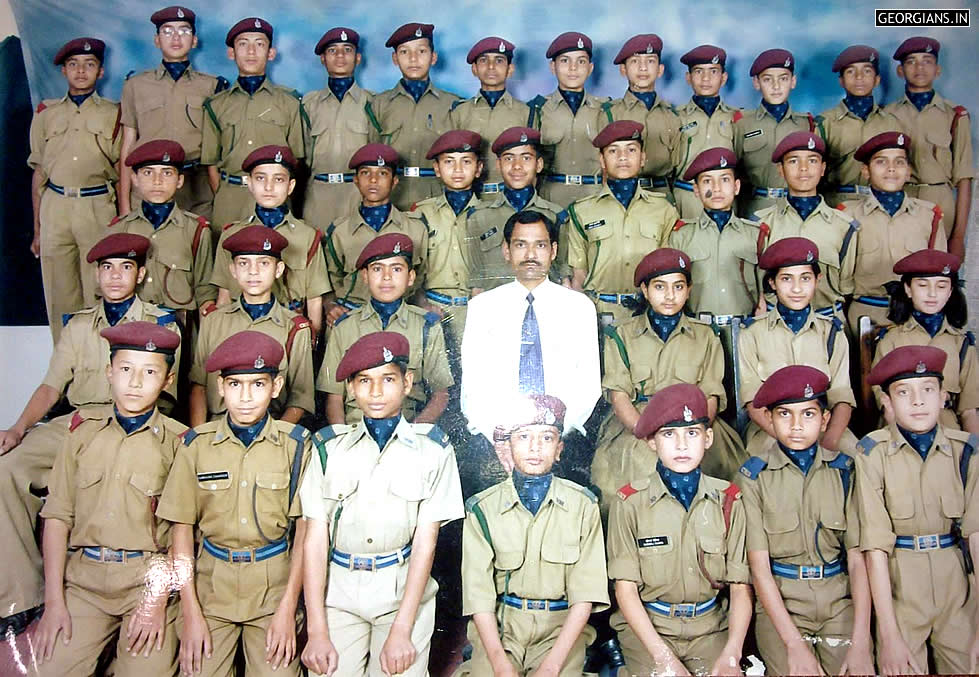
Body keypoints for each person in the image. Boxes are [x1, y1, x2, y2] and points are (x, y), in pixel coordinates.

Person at [0, 233, 180, 640]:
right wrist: (17, 427)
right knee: (7, 468)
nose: (116, 277)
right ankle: (23, 595)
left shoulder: (161, 324)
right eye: (107, 268)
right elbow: (51, 388)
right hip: (78, 422)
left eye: (126, 267)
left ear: (142, 273)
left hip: (140, 422)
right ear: (96, 275)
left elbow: (167, 395)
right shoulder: (79, 326)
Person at [300, 331, 464, 677]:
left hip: (403, 594)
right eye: (364, 381)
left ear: (407, 383)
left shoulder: (433, 451)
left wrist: (403, 630)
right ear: (351, 389)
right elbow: (314, 539)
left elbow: (426, 541)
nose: (375, 392)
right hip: (338, 593)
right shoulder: (329, 449)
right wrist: (316, 631)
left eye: (387, 379)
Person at [33, 322, 184, 676]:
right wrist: (54, 601)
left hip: (147, 585)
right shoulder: (81, 434)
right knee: (49, 668)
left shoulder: (179, 444)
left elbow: (182, 533)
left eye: (149, 372)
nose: (135, 382)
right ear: (108, 373)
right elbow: (57, 518)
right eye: (125, 369)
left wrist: (157, 602)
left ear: (167, 381)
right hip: (85, 583)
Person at [159, 331, 311, 677]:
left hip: (273, 589)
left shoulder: (297, 446)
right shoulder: (196, 445)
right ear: (220, 388)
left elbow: (304, 534)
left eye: (258, 385)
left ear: (276, 388)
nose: (245, 397)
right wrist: (191, 613)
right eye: (235, 385)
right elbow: (181, 531)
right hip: (212, 589)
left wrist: (288, 609)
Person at [735, 365, 875, 676]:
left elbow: (856, 560)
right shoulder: (753, 477)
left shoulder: (844, 471)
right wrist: (794, 645)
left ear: (825, 420)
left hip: (839, 603)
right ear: (769, 419)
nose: (797, 425)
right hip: (783, 606)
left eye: (808, 414)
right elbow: (759, 570)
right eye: (785, 414)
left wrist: (862, 640)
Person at [607, 383, 752, 676]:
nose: (682, 445)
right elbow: (625, 590)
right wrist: (664, 658)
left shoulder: (730, 500)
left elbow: (740, 587)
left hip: (711, 628)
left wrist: (733, 652)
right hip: (650, 630)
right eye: (669, 434)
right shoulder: (629, 503)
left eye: (692, 433)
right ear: (651, 442)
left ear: (708, 438)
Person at [458, 394, 609, 676]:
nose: (535, 447)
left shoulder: (583, 507)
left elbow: (584, 597)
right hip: (503, 630)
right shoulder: (482, 510)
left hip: (561, 631)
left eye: (547, 438)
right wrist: (500, 664)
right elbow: (479, 598)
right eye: (524, 436)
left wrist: (552, 667)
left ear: (560, 449)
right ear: (507, 447)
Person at [596, 248, 746, 522]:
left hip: (696, 421)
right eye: (659, 287)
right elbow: (619, 397)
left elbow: (711, 395)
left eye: (678, 287)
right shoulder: (621, 336)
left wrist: (695, 432)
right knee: (619, 481)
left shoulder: (706, 336)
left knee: (731, 474)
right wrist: (647, 433)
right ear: (644, 289)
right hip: (639, 423)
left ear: (688, 290)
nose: (669, 295)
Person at [855, 345, 979, 675]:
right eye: (904, 392)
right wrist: (889, 633)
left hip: (958, 589)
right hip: (900, 589)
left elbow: (977, 538)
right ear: (887, 402)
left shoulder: (966, 452)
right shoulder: (871, 455)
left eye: (928, 390)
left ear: (943, 397)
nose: (918, 401)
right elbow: (875, 548)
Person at [461, 210, 600, 467]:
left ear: (554, 250)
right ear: (506, 250)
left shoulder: (579, 307)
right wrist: (501, 440)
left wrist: (551, 436)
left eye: (540, 245)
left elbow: (588, 387)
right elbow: (472, 389)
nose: (530, 255)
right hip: (495, 443)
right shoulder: (482, 308)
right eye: (520, 245)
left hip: (562, 441)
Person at [29, 37, 120, 342]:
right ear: (64, 72)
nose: (81, 71)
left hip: (97, 207)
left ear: (101, 72)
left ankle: (99, 372)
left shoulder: (115, 114)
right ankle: (65, 376)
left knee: (100, 290)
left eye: (89, 64)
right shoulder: (46, 114)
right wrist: (38, 229)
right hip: (55, 206)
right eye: (73, 65)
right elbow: (39, 172)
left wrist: (122, 221)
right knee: (60, 295)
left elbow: (122, 172)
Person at [739, 238, 856, 455]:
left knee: (854, 455)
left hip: (822, 427)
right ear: (772, 283)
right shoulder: (752, 334)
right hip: (771, 429)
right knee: (758, 461)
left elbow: (842, 398)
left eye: (805, 278)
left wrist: (828, 442)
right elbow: (752, 402)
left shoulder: (832, 333)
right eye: (786, 279)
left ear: (817, 280)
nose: (796, 288)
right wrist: (789, 438)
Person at [319, 234, 452, 425]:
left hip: (409, 426)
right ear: (365, 276)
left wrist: (413, 434)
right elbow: (334, 398)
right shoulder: (343, 327)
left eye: (396, 269)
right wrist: (343, 440)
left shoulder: (426, 326)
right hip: (356, 429)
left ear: (411, 277)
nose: (387, 277)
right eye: (377, 269)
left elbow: (441, 395)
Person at [190, 225, 313, 426]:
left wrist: (277, 439)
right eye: (243, 263)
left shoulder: (295, 328)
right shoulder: (213, 321)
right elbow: (199, 386)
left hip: (272, 427)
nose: (253, 271)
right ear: (233, 270)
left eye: (263, 263)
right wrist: (198, 437)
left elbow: (301, 398)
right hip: (216, 429)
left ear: (278, 270)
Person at [566, 120, 680, 326]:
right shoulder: (581, 211)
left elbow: (669, 271)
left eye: (631, 149)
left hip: (648, 315)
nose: (623, 157)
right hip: (599, 313)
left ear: (643, 157)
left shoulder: (664, 210)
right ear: (601, 159)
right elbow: (579, 274)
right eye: (613, 151)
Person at [119, 5, 227, 219]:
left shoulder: (212, 86)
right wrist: (123, 203)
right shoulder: (136, 85)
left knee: (198, 246)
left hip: (197, 187)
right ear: (157, 40)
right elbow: (127, 145)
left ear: (194, 40)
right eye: (167, 31)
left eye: (184, 31)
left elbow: (217, 149)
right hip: (149, 185)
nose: (176, 37)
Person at [200, 17, 304, 235]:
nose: (251, 51)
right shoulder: (216, 105)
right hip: (231, 198)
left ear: (271, 53)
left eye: (259, 44)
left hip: (275, 197)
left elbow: (297, 160)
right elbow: (211, 162)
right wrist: (225, 193)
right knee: (228, 260)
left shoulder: (290, 102)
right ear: (231, 53)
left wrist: (282, 195)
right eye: (243, 44)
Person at [211, 145, 329, 338]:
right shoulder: (231, 235)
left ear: (290, 186)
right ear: (249, 183)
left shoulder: (307, 237)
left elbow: (314, 299)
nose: (269, 187)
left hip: (289, 329)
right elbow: (223, 296)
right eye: (260, 178)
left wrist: (311, 341)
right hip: (239, 329)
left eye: (278, 179)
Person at [843, 131, 947, 334]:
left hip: (913, 317)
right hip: (864, 312)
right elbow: (841, 278)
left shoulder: (929, 216)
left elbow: (939, 274)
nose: (891, 169)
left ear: (909, 171)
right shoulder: (847, 215)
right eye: (881, 162)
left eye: (899, 162)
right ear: (865, 171)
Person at [873, 249, 978, 435]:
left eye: (941, 286)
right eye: (923, 285)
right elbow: (885, 406)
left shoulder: (961, 344)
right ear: (908, 289)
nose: (932, 294)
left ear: (951, 291)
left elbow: (969, 410)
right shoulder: (891, 340)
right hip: (899, 428)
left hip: (948, 430)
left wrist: (974, 452)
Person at [886, 36, 973, 259]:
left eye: (927, 61)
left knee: (936, 273)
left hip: (940, 201)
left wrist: (958, 236)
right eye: (911, 61)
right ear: (900, 71)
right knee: (898, 266)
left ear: (938, 70)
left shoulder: (955, 115)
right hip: (900, 198)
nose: (919, 67)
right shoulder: (887, 115)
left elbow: (964, 178)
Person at [755, 131, 857, 320]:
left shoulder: (844, 226)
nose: (803, 168)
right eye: (793, 161)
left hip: (827, 322)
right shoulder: (761, 224)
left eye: (812, 161)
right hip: (775, 325)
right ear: (781, 170)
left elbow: (847, 289)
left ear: (823, 168)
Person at [324, 143, 429, 325]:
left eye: (382, 173)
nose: (373, 180)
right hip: (352, 317)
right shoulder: (340, 232)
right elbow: (328, 281)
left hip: (401, 319)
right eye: (365, 173)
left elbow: (421, 277)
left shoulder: (416, 229)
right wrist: (330, 306)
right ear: (356, 180)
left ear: (394, 181)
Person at [109, 138, 217, 315]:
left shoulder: (196, 230)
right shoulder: (119, 229)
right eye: (148, 173)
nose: (157, 181)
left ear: (180, 180)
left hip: (179, 327)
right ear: (134, 179)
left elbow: (205, 292)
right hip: (132, 327)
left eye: (167, 173)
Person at [369, 22, 460, 210]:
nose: (413, 59)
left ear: (433, 57)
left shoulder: (453, 104)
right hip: (392, 196)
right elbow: (370, 152)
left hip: (436, 197)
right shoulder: (379, 103)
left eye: (421, 51)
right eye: (404, 52)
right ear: (395, 58)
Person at [465, 126, 567, 292]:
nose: (517, 166)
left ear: (539, 164)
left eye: (526, 158)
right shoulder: (479, 217)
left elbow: (562, 277)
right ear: (498, 165)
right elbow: (477, 281)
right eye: (509, 159)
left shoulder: (556, 215)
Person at [668, 147, 762, 321]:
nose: (716, 188)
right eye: (707, 181)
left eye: (725, 180)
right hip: (699, 329)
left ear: (736, 186)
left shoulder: (755, 235)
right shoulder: (681, 236)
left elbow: (765, 289)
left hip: (744, 327)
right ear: (696, 190)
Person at [413, 129, 483, 353]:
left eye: (466, 162)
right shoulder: (421, 214)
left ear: (479, 168)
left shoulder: (489, 214)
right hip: (432, 308)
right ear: (436, 168)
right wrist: (423, 304)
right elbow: (411, 269)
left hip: (477, 310)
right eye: (449, 162)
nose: (458, 170)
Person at [303, 27, 375, 229]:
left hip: (358, 194)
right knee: (317, 254)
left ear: (358, 58)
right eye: (333, 50)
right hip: (318, 194)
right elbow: (301, 156)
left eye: (347, 49)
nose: (341, 56)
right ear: (323, 59)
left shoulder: (373, 103)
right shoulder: (308, 104)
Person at [733, 48, 818, 217]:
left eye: (783, 79)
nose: (776, 86)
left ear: (793, 82)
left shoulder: (806, 124)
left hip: (798, 207)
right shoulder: (742, 124)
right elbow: (733, 170)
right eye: (767, 79)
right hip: (757, 207)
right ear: (756, 83)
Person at [530, 31, 610, 207]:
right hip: (551, 197)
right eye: (565, 61)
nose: (573, 68)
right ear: (553, 67)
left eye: (581, 61)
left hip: (594, 198)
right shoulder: (537, 109)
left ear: (590, 68)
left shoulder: (605, 110)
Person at [819, 44, 904, 207]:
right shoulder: (825, 123)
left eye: (866, 71)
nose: (859, 77)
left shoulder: (891, 123)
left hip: (879, 204)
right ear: (841, 81)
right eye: (851, 71)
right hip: (836, 205)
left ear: (877, 79)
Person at [449, 37, 530, 196]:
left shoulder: (525, 112)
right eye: (484, 61)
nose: (491, 67)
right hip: (471, 197)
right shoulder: (459, 112)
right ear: (474, 69)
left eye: (499, 61)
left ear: (510, 69)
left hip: (512, 197)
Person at [606, 34, 679, 201]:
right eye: (635, 61)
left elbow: (678, 167)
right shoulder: (609, 113)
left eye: (650, 61)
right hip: (621, 195)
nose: (643, 68)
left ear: (660, 70)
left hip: (662, 196)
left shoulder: (673, 116)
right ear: (623, 70)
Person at [671, 44, 741, 220]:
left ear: (724, 78)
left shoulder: (737, 117)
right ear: (688, 77)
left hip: (725, 200)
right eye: (699, 71)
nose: (706, 78)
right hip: (686, 199)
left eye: (713, 71)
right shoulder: (675, 117)